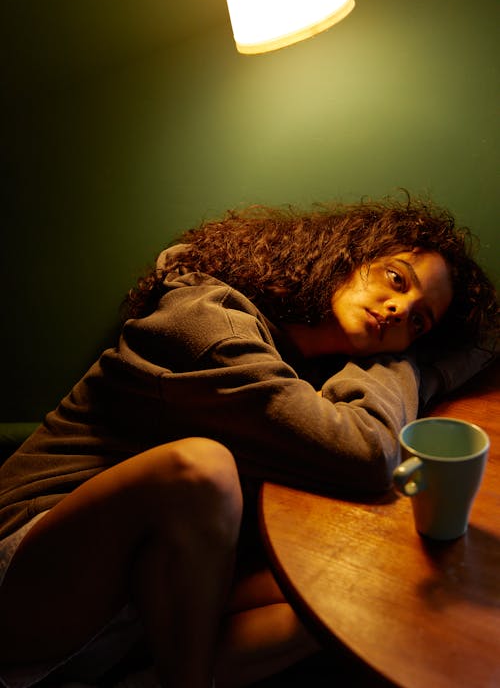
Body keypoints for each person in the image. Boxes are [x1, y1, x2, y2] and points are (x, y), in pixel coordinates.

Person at [0, 195, 497, 688]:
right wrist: (406, 363)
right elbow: (367, 452)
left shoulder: (313, 363)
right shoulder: (206, 325)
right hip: (24, 580)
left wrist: (416, 359)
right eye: (396, 279)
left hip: (147, 602)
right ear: (349, 253)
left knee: (350, 590)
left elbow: (484, 344)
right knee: (198, 467)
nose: (398, 309)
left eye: (418, 321)